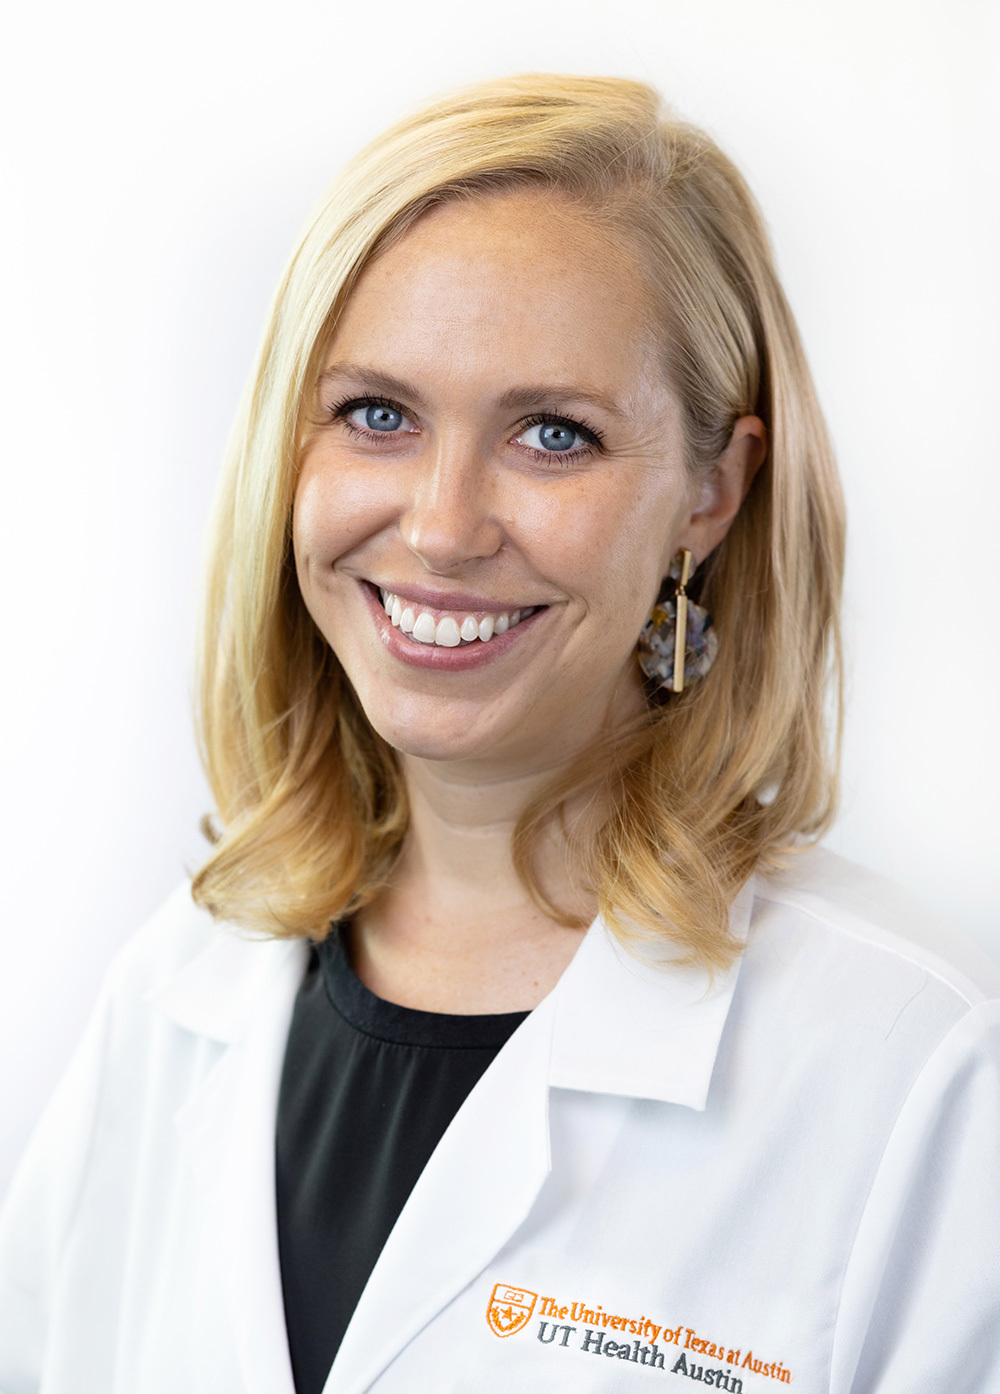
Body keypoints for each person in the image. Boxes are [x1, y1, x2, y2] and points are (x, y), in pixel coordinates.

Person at [1, 72, 998, 1394]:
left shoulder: (925, 1070)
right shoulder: (176, 994)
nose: (441, 527)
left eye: (551, 433)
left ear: (712, 492)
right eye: (377, 414)